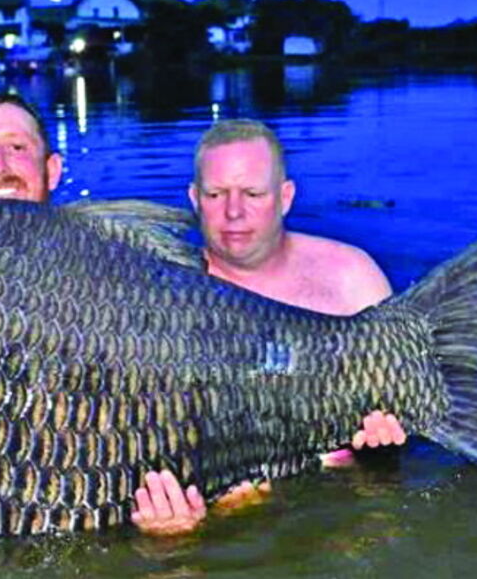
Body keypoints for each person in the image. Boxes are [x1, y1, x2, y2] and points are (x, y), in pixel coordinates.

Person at [131, 119, 407, 535]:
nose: (234, 211)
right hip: (230, 516)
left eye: (253, 193)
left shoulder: (352, 277)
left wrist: (386, 445)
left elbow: (406, 411)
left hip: (345, 500)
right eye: (215, 194)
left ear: (286, 197)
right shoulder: (161, 301)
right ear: (194, 199)